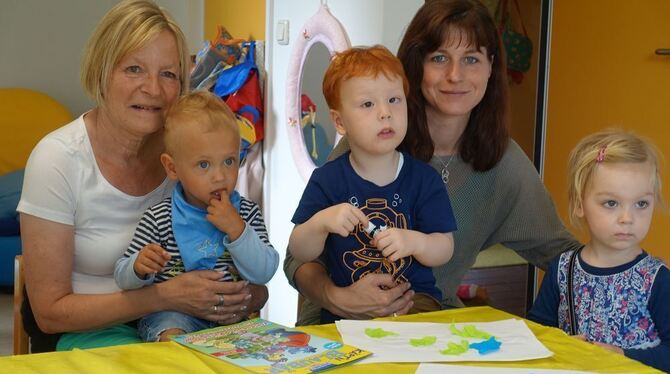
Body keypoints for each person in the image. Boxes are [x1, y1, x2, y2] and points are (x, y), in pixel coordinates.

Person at [284, 0, 582, 326]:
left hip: (425, 323)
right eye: (439, 58)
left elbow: (565, 258)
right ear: (416, 65)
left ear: (490, 67)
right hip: (333, 326)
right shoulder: (370, 142)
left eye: (471, 59)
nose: (456, 75)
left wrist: (637, 280)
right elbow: (296, 259)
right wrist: (339, 299)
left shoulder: (503, 162)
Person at [17, 0, 268, 352]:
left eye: (168, 74)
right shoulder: (57, 159)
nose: (153, 88)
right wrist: (164, 296)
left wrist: (243, 293)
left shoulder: (193, 154)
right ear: (101, 72)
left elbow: (249, 270)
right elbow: (50, 314)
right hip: (93, 334)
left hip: (195, 328)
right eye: (134, 69)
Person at [288, 46, 456, 324]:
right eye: (368, 104)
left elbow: (445, 248)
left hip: (414, 304)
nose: (385, 113)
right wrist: (320, 223)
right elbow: (300, 251)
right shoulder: (327, 181)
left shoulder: (424, 179)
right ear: (339, 121)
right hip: (346, 313)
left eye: (394, 100)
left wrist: (414, 241)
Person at [114, 91, 279, 341]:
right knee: (172, 334)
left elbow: (265, 271)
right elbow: (122, 277)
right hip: (176, 316)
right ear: (172, 167)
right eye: (204, 164)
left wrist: (237, 229)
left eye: (229, 161)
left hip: (234, 319)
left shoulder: (246, 213)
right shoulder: (160, 218)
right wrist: (138, 266)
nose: (220, 176)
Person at [527, 129, 670, 372]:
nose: (627, 218)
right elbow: (536, 334)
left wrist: (623, 355)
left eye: (641, 204)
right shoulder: (563, 270)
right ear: (580, 205)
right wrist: (560, 346)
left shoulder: (657, 279)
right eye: (611, 203)